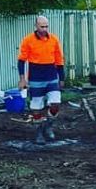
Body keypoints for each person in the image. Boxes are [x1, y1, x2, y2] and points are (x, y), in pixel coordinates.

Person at [17, 15, 65, 145]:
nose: (44, 29)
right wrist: (22, 79)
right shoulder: (28, 40)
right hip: (36, 77)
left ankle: (48, 125)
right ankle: (39, 132)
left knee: (55, 103)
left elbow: (59, 60)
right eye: (42, 26)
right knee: (36, 107)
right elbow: (21, 61)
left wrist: (62, 78)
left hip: (51, 76)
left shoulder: (53, 39)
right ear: (36, 26)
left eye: (46, 26)